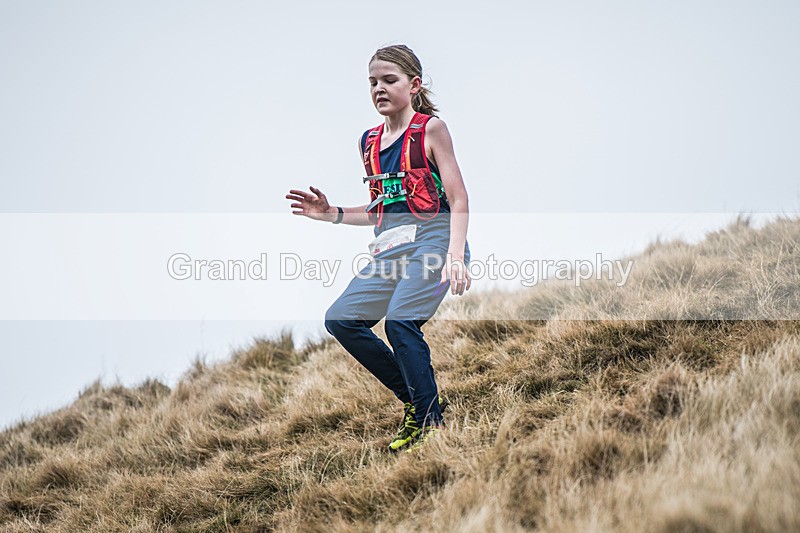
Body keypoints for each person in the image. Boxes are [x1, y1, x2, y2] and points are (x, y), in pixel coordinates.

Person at [286, 44, 471, 452]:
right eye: (373, 82)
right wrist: (331, 213)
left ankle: (432, 425)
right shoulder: (368, 143)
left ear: (414, 84)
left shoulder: (430, 130)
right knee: (341, 320)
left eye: (390, 80)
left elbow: (458, 199)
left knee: (401, 322)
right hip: (391, 251)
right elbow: (380, 212)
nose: (379, 89)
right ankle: (417, 402)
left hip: (436, 240)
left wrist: (456, 258)